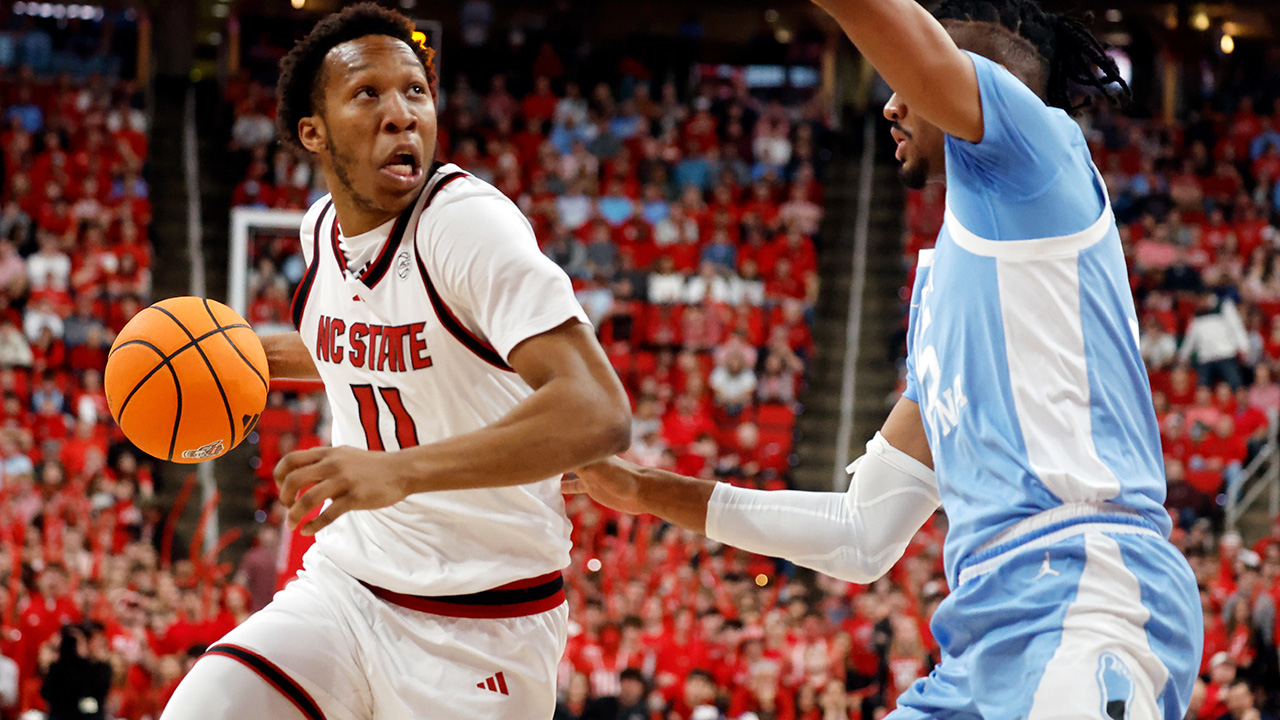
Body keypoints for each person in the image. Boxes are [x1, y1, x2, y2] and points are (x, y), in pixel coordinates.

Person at [566, 0, 1201, 717]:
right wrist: (643, 490)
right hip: (985, 633)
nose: (891, 104)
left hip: (1084, 594)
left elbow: (898, 35)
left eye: (905, 80)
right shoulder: (945, 301)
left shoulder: (1040, 155)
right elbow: (859, 536)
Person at [161, 5, 631, 719]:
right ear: (312, 133)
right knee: (205, 707)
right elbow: (366, 348)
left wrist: (396, 471)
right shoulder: (323, 228)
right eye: (368, 93)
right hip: (346, 589)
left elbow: (597, 410)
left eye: (415, 91)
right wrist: (237, 360)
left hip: (484, 626)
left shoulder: (466, 223)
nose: (402, 113)